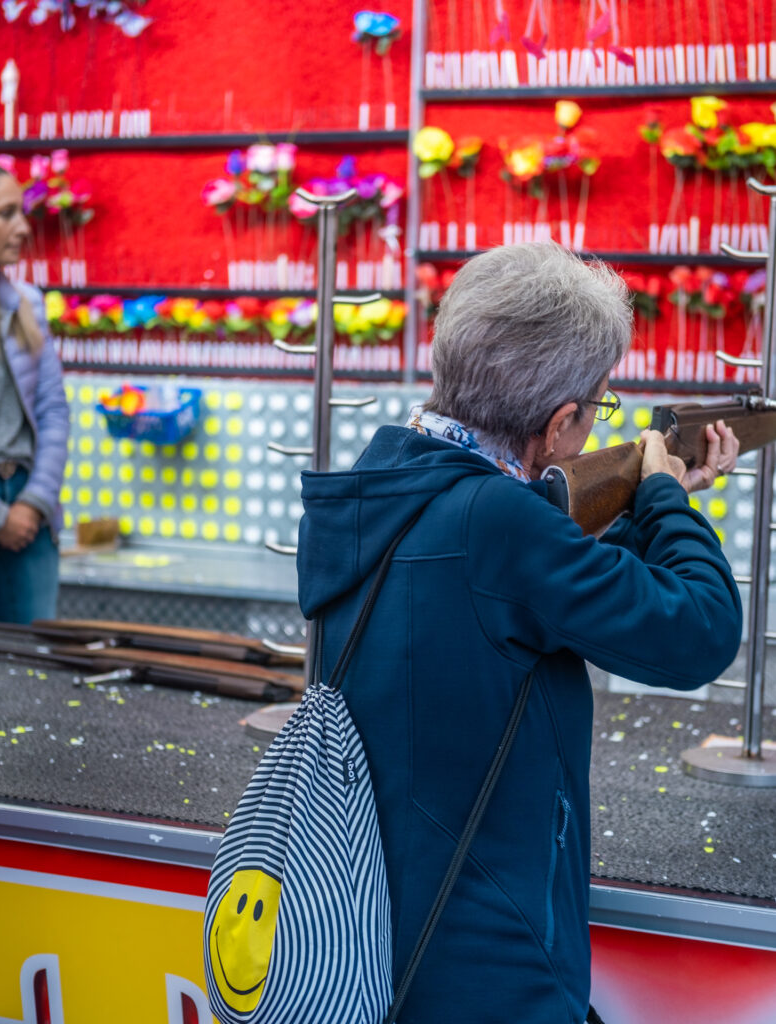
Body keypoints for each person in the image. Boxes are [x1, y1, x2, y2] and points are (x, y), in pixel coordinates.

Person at [296, 242, 743, 1024]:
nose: (590, 427)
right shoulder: (499, 522)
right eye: (595, 410)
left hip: (370, 938)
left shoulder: (380, 491)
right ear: (562, 419)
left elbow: (539, 589)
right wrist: (669, 503)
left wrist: (643, 503)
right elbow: (699, 631)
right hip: (492, 966)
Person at [0, 158, 69, 623]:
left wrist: (33, 501)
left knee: (31, 664)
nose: (22, 228)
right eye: (5, 214)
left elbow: (53, 412)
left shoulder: (28, 305)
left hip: (29, 510)